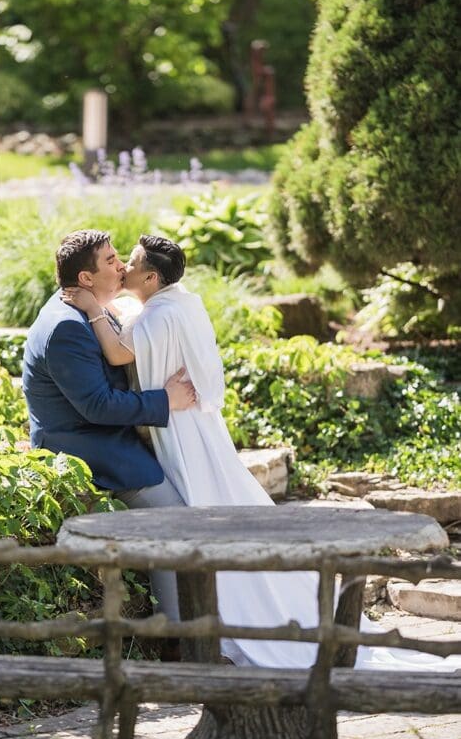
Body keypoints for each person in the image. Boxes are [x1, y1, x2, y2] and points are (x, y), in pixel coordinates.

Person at [63, 234, 461, 673]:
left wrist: (93, 309)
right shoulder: (178, 303)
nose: (122, 269)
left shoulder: (159, 316)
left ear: (152, 277)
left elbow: (120, 352)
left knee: (203, 505)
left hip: (180, 428)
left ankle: (239, 614)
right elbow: (140, 320)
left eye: (130, 264)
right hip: (194, 421)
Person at [22, 229, 195, 622]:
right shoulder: (65, 326)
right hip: (90, 451)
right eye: (112, 261)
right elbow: (98, 407)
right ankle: (177, 638)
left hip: (104, 439)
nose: (121, 266)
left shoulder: (88, 312)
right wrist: (166, 400)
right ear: (86, 279)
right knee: (177, 524)